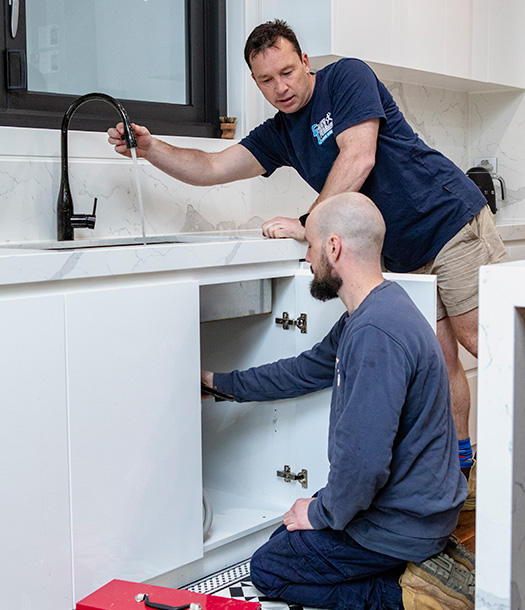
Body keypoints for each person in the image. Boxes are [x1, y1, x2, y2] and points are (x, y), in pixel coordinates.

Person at [109, 20, 510, 477]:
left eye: (286, 72)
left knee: (486, 342)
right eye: (266, 80)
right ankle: (460, 474)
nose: (280, 88)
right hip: (403, 252)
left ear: (304, 62)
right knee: (439, 361)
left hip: (447, 218)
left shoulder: (346, 78)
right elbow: (213, 166)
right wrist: (151, 148)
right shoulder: (280, 133)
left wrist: (307, 225)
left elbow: (358, 156)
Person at [201, 193, 471, 610]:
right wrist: (220, 383)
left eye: (310, 245)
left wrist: (322, 513)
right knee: (285, 538)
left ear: (334, 246)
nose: (307, 258)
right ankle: (417, 569)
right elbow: (303, 370)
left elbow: (363, 461)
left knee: (269, 569)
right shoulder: (376, 311)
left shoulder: (374, 334)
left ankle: (412, 598)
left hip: (401, 524)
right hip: (418, 514)